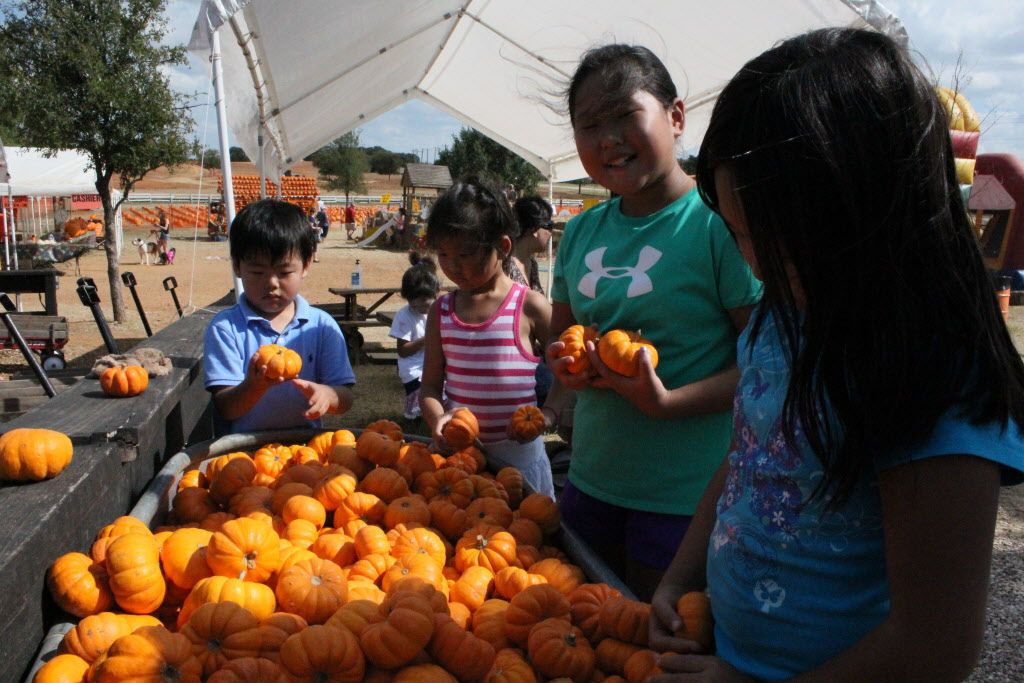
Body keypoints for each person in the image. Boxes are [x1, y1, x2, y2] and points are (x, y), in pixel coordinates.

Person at [648, 28, 1024, 682]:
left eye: (769, 238)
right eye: (739, 234)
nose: (753, 262)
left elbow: (933, 647)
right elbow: (747, 458)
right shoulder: (783, 317)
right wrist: (679, 578)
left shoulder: (935, 380)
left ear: (863, 218)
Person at [544, 44, 762, 601]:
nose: (607, 138)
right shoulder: (582, 232)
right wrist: (566, 367)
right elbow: (563, 334)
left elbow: (767, 360)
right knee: (589, 625)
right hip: (591, 479)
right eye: (589, 125)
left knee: (656, 640)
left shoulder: (718, 224)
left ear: (676, 116)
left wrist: (667, 402)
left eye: (624, 115)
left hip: (685, 496)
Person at [420, 178, 570, 499]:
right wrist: (437, 420)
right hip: (462, 467)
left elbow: (568, 369)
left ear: (502, 247)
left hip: (522, 466)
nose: (452, 266)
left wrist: (551, 413)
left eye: (464, 254)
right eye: (443, 254)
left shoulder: (529, 306)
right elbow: (430, 387)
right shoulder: (441, 311)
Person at [203, 198, 356, 437]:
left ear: (305, 266)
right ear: (237, 266)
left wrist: (330, 395)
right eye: (257, 272)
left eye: (284, 272)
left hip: (305, 451)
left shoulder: (322, 327)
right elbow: (225, 407)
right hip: (243, 456)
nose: (271, 283)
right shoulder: (226, 328)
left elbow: (345, 397)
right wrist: (254, 386)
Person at [512, 195, 556, 406]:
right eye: (550, 226)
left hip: (532, 351)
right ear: (535, 229)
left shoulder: (532, 264)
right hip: (512, 356)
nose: (552, 233)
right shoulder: (504, 265)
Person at [389, 252, 440, 420]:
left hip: (435, 364)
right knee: (425, 399)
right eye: (414, 306)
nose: (420, 310)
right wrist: (426, 339)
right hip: (414, 368)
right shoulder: (404, 316)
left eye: (425, 305)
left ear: (436, 295)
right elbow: (403, 350)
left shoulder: (440, 310)